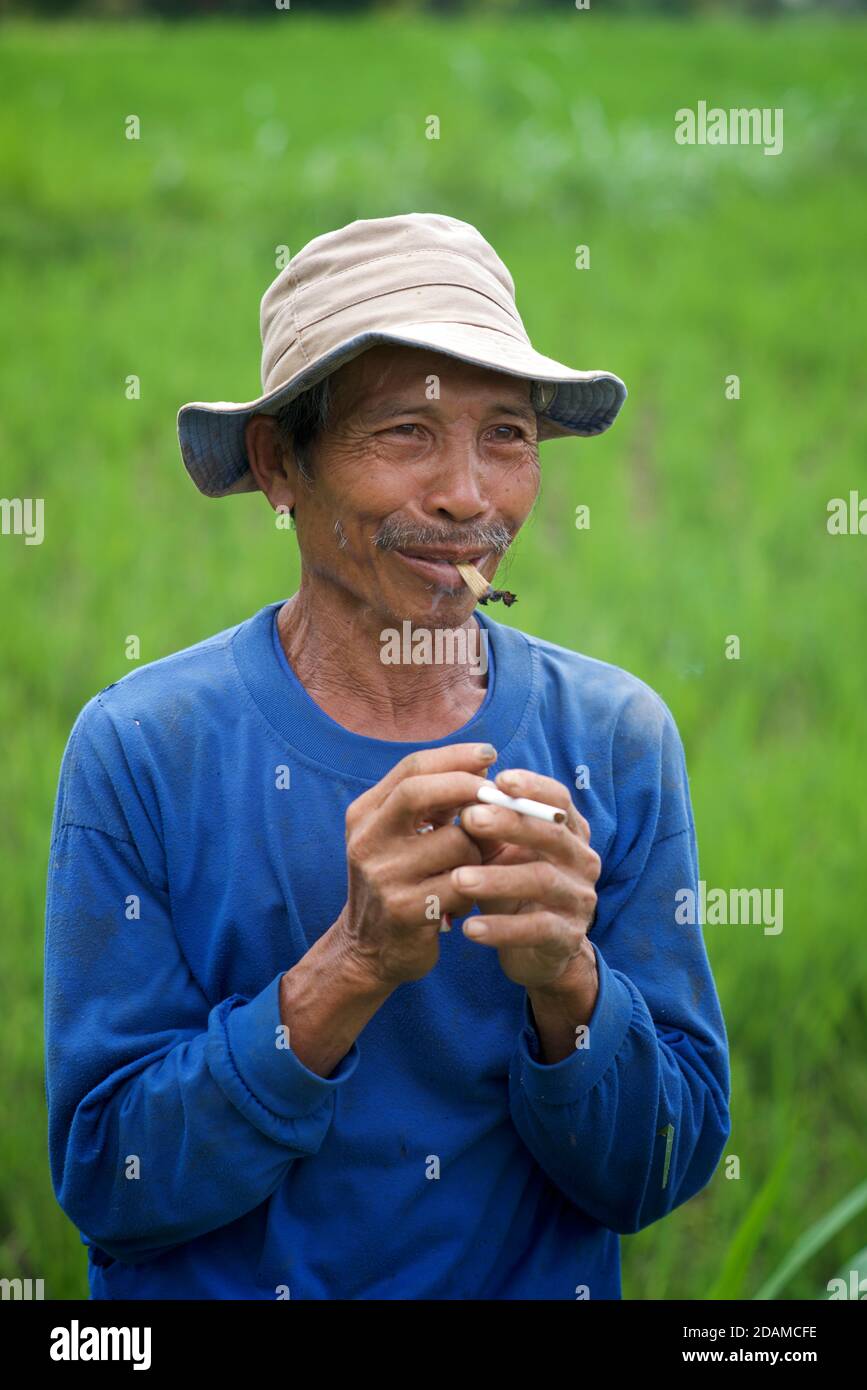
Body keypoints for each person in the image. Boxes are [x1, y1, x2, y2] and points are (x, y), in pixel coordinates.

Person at [44, 212, 730, 1300]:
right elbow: (108, 1177)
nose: (468, 495)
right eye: (404, 433)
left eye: (506, 434)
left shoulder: (616, 738)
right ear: (279, 464)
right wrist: (349, 968)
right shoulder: (143, 749)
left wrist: (572, 984)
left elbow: (660, 1170)